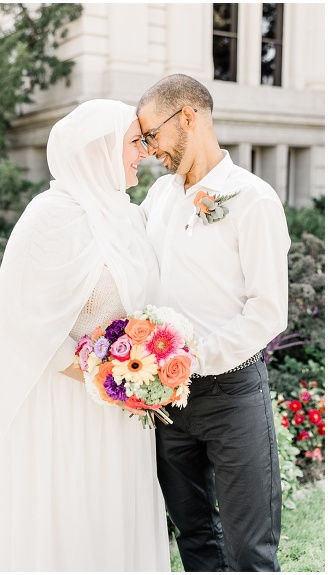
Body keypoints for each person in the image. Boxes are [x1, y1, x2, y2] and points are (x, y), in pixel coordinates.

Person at [0, 99, 170, 571]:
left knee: (115, 526)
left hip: (123, 413)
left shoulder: (128, 217)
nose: (144, 152)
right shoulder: (49, 217)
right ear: (99, 150)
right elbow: (27, 327)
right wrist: (109, 380)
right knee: (73, 524)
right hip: (65, 409)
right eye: (135, 141)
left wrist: (145, 371)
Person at [137, 74, 289, 571]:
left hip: (232, 395)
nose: (149, 148)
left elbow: (268, 310)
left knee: (250, 550)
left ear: (187, 117)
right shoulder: (157, 198)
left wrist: (193, 357)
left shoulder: (253, 198)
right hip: (166, 402)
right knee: (196, 538)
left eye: (151, 135)